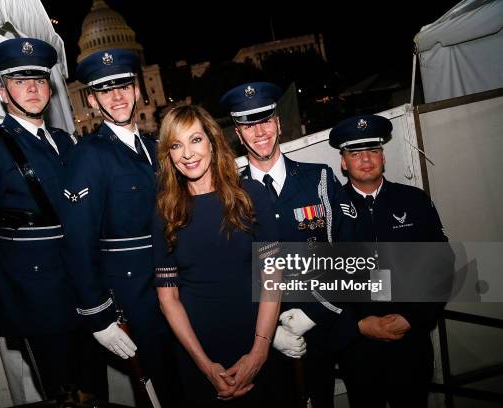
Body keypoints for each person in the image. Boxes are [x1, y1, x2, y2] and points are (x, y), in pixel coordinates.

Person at [0, 38, 102, 403]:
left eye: (38, 79)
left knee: (95, 388)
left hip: (83, 286)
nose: (32, 88)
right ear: (4, 92)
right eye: (20, 81)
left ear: (49, 87)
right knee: (63, 392)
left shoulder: (66, 142)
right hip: (35, 295)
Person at [220, 82, 361, 407]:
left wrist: (315, 311)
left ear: (278, 123)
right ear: (238, 135)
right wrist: (267, 337)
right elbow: (228, 276)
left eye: (265, 120)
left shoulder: (320, 180)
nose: (259, 132)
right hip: (260, 342)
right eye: (248, 124)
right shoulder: (230, 196)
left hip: (323, 329)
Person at [152, 104, 300, 407]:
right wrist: (205, 366)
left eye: (195, 140)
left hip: (259, 340)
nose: (188, 154)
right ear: (169, 154)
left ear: (212, 142)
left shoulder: (251, 195)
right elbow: (169, 299)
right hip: (199, 353)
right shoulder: (164, 211)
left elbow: (273, 278)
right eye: (176, 145)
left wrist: (259, 353)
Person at [60, 48, 177, 406]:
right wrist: (99, 318)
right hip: (134, 296)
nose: (117, 96)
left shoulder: (155, 147)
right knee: (158, 391)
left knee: (183, 381)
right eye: (105, 89)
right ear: (93, 100)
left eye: (124, 85)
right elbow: (78, 243)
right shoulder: (88, 156)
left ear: (137, 89)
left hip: (174, 286)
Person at [329, 114, 452, 407]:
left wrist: (413, 317)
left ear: (383, 156)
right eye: (355, 153)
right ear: (344, 162)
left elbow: (441, 266)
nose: (366, 160)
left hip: (410, 342)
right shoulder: (329, 210)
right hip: (358, 347)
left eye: (372, 151)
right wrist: (358, 324)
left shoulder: (413, 201)